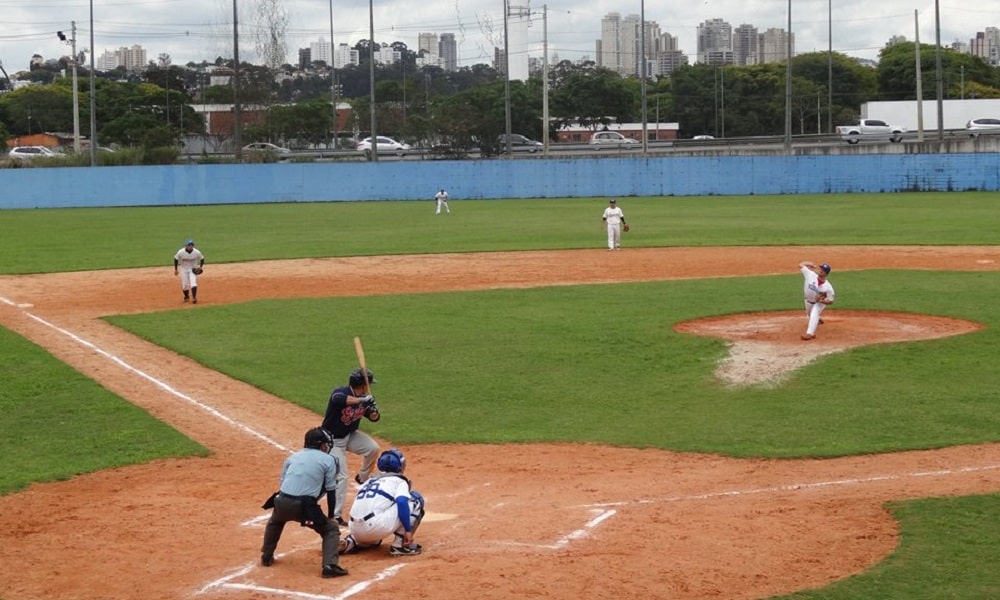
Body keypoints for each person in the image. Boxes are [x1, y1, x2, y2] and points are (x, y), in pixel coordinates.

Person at [259, 427, 348, 578]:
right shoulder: (329, 460)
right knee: (330, 529)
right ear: (321, 445)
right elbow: (331, 490)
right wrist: (331, 515)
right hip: (303, 506)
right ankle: (329, 565)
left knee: (275, 521)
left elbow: (283, 484)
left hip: (280, 501)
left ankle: (266, 556)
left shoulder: (292, 457)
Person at [321, 367, 382, 528]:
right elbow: (338, 399)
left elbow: (374, 418)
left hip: (349, 435)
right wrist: (363, 401)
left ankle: (362, 477)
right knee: (342, 476)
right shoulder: (341, 393)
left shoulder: (365, 397)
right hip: (332, 440)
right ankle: (335, 515)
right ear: (362, 385)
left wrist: (374, 409)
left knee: (373, 448)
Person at [339, 448, 426, 557]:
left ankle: (351, 542)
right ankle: (400, 545)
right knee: (414, 499)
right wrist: (408, 531)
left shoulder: (369, 481)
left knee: (374, 535)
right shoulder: (399, 480)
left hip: (354, 528)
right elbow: (402, 502)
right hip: (375, 527)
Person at [799, 261, 835, 340]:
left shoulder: (828, 287)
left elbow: (831, 301)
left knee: (814, 313)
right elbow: (801, 265)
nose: (820, 270)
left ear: (826, 273)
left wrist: (821, 301)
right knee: (809, 314)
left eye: (823, 270)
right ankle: (817, 320)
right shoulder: (810, 275)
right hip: (808, 301)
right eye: (821, 268)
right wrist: (809, 263)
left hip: (819, 303)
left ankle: (810, 334)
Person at [173, 239, 205, 304]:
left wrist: (201, 267)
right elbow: (175, 259)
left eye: (191, 245)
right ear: (186, 246)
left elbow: (202, 258)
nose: (190, 246)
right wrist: (176, 269)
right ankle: (186, 297)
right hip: (184, 269)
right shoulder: (180, 252)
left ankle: (194, 297)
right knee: (185, 285)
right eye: (189, 245)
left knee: (193, 283)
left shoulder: (196, 252)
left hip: (193, 269)